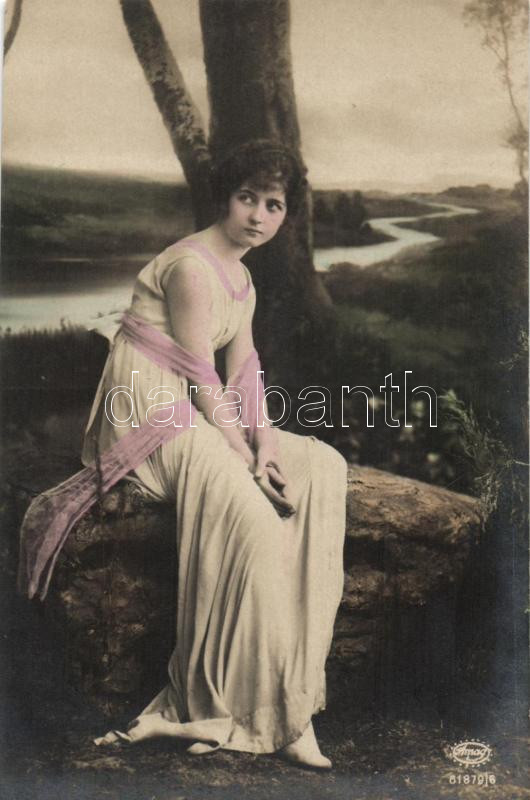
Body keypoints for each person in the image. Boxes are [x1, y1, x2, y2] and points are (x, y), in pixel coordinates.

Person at [22, 140, 348, 770]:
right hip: (149, 410)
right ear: (225, 198)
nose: (258, 215)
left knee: (323, 468)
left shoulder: (243, 276)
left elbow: (243, 369)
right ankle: (238, 710)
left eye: (273, 204)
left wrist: (267, 444)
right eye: (247, 198)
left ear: (286, 214)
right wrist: (246, 459)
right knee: (255, 519)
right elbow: (202, 377)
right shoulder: (192, 267)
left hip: (196, 407)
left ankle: (291, 704)